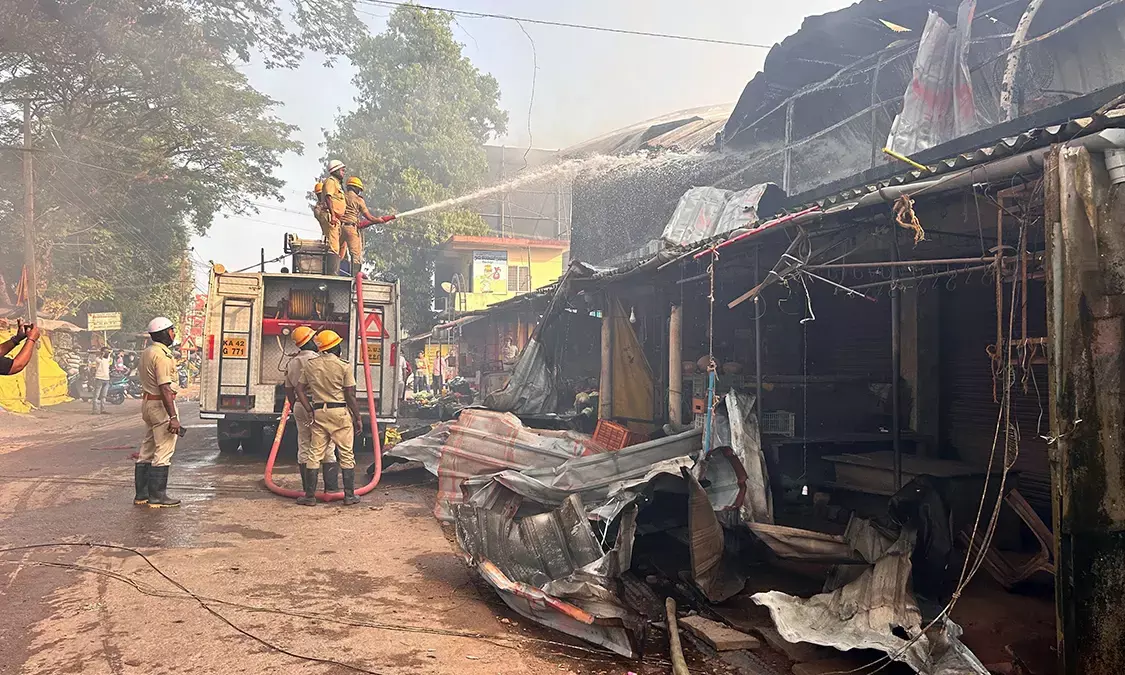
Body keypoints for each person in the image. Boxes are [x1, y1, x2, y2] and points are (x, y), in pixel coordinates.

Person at [296, 330, 363, 506]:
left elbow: (299, 389)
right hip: (339, 413)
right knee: (346, 453)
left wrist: (309, 409)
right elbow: (350, 395)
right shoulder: (344, 366)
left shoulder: (311, 365)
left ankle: (309, 497)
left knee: (314, 454)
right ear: (336, 346)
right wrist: (358, 417)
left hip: (319, 413)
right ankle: (349, 496)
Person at [283, 326, 339, 496]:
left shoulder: (291, 363)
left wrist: (298, 406)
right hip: (320, 405)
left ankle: (309, 491)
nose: (317, 341)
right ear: (308, 341)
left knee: (304, 445)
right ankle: (331, 489)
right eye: (314, 338)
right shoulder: (319, 360)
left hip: (300, 405)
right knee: (327, 446)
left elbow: (289, 390)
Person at [134, 317, 182, 508]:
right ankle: (157, 496)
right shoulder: (162, 356)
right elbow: (165, 388)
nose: (173, 334)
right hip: (160, 405)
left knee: (147, 449)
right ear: (165, 333)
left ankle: (142, 494)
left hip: (148, 403)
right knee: (164, 449)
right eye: (172, 330)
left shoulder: (147, 352)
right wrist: (173, 417)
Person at [320, 160, 348, 275]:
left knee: (338, 245)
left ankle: (334, 271)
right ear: (335, 170)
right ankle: (332, 273)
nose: (343, 173)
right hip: (331, 216)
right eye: (342, 170)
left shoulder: (337, 183)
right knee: (334, 245)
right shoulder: (331, 181)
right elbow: (328, 197)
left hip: (336, 217)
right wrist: (332, 215)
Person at [92, 348, 112, 414]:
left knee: (103, 396)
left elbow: (109, 356)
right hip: (99, 378)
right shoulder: (98, 359)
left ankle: (102, 410)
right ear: (102, 352)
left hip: (106, 379)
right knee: (96, 396)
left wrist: (109, 353)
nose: (107, 353)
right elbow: (100, 360)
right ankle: (95, 410)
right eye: (105, 351)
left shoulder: (107, 359)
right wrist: (102, 354)